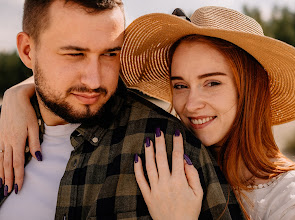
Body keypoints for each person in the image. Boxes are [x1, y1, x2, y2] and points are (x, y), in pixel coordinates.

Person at [0, 2, 244, 219]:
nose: (94, 81)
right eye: (75, 54)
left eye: (110, 53)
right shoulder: (7, 124)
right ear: (27, 51)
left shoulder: (172, 150)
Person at [119, 6, 295, 219]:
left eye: (212, 83)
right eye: (180, 85)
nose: (191, 105)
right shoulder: (169, 176)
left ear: (249, 90)